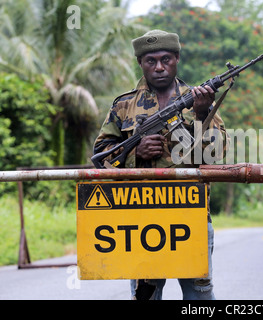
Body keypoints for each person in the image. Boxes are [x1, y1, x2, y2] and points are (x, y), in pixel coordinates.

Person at [92, 29, 228, 300]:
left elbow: (216, 154)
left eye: (166, 59)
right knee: (145, 293)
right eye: (150, 61)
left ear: (177, 58)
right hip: (140, 215)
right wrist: (136, 155)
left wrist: (202, 114)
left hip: (189, 212)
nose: (159, 67)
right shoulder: (124, 105)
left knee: (199, 292)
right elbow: (100, 156)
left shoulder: (199, 98)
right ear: (140, 63)